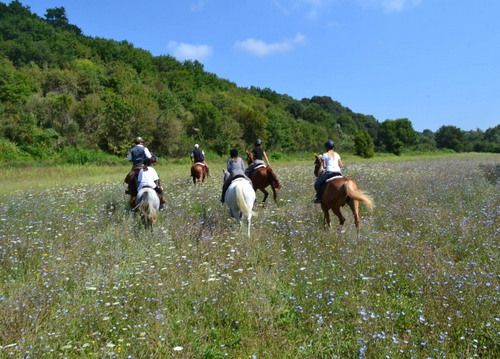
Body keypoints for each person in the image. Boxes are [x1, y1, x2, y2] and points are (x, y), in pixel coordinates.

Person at [313, 139, 344, 203]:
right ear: (333, 147)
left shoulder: (325, 154)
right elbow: (341, 165)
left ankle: (318, 197)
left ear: (326, 147)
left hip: (329, 173)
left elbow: (324, 166)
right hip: (338, 173)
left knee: (317, 184)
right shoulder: (337, 154)